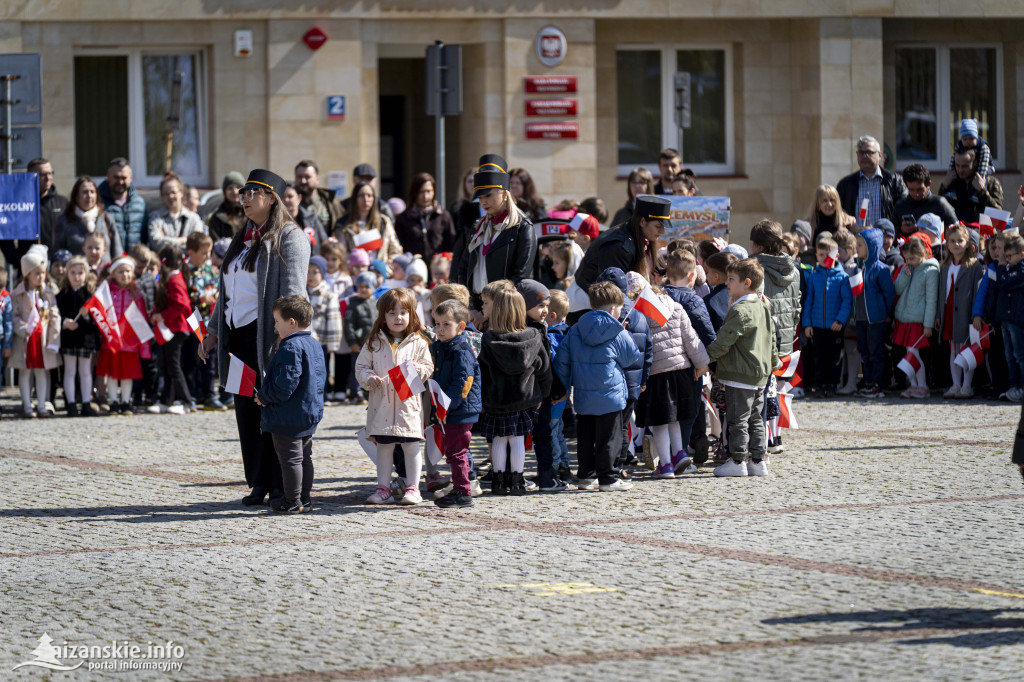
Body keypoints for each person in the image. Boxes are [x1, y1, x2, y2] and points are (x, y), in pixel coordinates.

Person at [199, 169, 311, 507]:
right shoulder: (241, 237)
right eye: (243, 193)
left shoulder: (289, 237)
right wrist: (214, 331)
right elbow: (226, 292)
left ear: (272, 197)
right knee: (247, 412)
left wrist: (285, 337)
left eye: (252, 192)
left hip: (269, 336)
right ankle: (258, 481)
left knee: (273, 410)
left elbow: (293, 294)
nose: (244, 198)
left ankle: (281, 484)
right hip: (238, 337)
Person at [554, 280, 641, 491]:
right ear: (613, 309)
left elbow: (562, 362)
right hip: (610, 395)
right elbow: (631, 357)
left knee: (586, 437)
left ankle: (586, 475)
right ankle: (608, 478)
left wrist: (562, 388)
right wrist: (625, 333)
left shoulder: (575, 329)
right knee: (609, 438)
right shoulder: (617, 330)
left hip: (583, 394)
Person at [356, 288, 434, 505]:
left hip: (408, 405)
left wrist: (415, 370)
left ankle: (413, 487)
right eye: (391, 313)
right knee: (384, 447)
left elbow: (428, 367)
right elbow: (361, 366)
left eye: (403, 312)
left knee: (411, 446)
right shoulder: (374, 342)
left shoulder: (418, 341)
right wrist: (368, 377)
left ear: (412, 314)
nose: (398, 317)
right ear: (383, 316)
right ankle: (383, 488)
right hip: (381, 405)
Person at [629, 274, 710, 479]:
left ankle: (665, 465)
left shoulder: (637, 313)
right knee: (675, 419)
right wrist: (702, 364)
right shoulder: (675, 307)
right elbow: (691, 338)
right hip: (681, 371)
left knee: (659, 423)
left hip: (656, 375)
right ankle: (680, 453)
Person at [254, 295, 327, 514]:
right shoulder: (313, 344)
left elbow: (285, 384)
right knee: (304, 457)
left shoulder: (290, 347)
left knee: (291, 459)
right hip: (308, 410)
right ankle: (304, 499)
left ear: (291, 322)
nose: (275, 326)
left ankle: (292, 501)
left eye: (277, 321)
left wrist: (264, 397)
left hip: (289, 414)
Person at [706, 259, 779, 477]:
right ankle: (757, 461)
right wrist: (773, 362)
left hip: (739, 375)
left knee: (738, 419)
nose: (726, 283)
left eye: (731, 279)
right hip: (759, 374)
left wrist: (705, 360)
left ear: (746, 283)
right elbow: (772, 338)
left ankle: (737, 461)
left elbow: (723, 341)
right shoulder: (762, 305)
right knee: (756, 418)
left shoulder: (741, 310)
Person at [478, 288, 551, 495]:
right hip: (525, 397)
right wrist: (543, 394)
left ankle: (499, 482)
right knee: (518, 438)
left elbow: (482, 372)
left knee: (500, 438)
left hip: (496, 399)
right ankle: (518, 481)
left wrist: (482, 399)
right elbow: (545, 370)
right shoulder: (534, 336)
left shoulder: (488, 338)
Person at [573, 195, 670, 318]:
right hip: (583, 308)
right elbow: (611, 295)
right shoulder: (619, 247)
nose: (662, 231)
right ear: (642, 222)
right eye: (658, 226)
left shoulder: (634, 237)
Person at [453, 158, 538, 299]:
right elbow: (463, 268)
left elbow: (521, 275)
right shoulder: (478, 226)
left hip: (504, 305)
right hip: (477, 306)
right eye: (480, 198)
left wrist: (494, 305)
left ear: (505, 194)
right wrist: (471, 306)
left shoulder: (522, 228)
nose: (483, 202)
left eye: (488, 195)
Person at [430, 299, 483, 509]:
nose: (440, 329)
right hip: (449, 409)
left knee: (457, 452)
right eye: (437, 324)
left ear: (461, 326)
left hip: (460, 410)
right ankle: (460, 487)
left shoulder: (461, 349)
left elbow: (463, 382)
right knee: (453, 451)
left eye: (446, 324)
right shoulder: (441, 346)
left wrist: (447, 405)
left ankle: (463, 491)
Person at [515, 278, 565, 493]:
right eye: (539, 305)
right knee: (542, 435)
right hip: (538, 394)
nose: (545, 310)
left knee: (517, 437)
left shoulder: (523, 327)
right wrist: (554, 390)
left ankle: (513, 477)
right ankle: (547, 477)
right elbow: (544, 367)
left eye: (546, 305)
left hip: (525, 393)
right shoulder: (535, 331)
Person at [11, 248, 61, 418]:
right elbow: (14, 316)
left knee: (41, 372)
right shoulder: (17, 294)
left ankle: (41, 404)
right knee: (25, 372)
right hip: (25, 339)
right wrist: (23, 328)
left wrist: (54, 338)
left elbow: (55, 316)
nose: (41, 277)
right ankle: (27, 405)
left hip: (42, 339)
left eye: (43, 273)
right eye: (37, 273)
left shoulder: (47, 293)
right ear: (27, 274)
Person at [96, 256, 148, 416]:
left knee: (127, 375)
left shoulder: (137, 294)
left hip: (129, 341)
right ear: (113, 274)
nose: (125, 274)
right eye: (121, 271)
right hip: (111, 340)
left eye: (128, 271)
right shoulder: (106, 292)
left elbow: (142, 320)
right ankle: (113, 402)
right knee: (112, 373)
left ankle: (126, 402)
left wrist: (144, 347)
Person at [937, 224, 985, 398]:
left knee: (966, 349)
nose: (956, 244)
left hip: (966, 313)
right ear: (947, 244)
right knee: (953, 349)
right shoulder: (944, 266)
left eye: (960, 241)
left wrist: (976, 315)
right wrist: (938, 315)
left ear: (967, 243)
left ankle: (967, 385)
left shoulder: (974, 267)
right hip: (949, 312)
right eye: (952, 241)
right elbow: (940, 292)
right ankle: (956, 384)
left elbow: (977, 292)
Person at [801, 236, 852, 397]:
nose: (824, 258)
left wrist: (840, 320)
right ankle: (821, 385)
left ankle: (832, 385)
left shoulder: (842, 277)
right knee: (819, 357)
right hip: (817, 326)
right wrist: (807, 323)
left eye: (827, 255)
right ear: (816, 256)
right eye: (820, 255)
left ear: (836, 256)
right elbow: (809, 301)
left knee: (834, 358)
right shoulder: (815, 276)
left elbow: (847, 301)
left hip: (834, 327)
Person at [148, 244, 193, 415]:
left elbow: (182, 304)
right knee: (166, 365)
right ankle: (167, 400)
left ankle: (185, 401)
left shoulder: (174, 279)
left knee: (173, 366)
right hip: (172, 327)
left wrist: (163, 315)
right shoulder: (173, 278)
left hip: (176, 328)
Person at [893, 235, 939, 399]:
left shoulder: (931, 270)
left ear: (924, 252)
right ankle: (913, 385)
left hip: (918, 321)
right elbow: (897, 289)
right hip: (905, 318)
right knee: (909, 353)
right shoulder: (909, 268)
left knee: (914, 354)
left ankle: (922, 386)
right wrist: (905, 275)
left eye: (912, 258)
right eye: (907, 258)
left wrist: (928, 325)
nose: (909, 261)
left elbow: (931, 300)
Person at [852, 228, 896, 399]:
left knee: (875, 351)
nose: (857, 247)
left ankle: (877, 384)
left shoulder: (881, 269)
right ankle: (868, 382)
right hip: (862, 318)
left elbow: (889, 294)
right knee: (865, 351)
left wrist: (887, 314)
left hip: (876, 319)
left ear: (871, 246)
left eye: (860, 245)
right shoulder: (858, 267)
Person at [56, 256, 99, 416]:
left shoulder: (90, 296)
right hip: (69, 339)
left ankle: (86, 402)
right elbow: (56, 315)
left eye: (80, 273)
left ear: (86, 274)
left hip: (85, 339)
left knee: (86, 371)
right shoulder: (62, 295)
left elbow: (96, 321)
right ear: (67, 274)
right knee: (69, 371)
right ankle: (71, 403)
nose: (76, 276)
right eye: (73, 273)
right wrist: (65, 322)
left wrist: (87, 316)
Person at [836, 135, 908, 226]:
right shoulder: (845, 184)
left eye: (869, 152)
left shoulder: (895, 181)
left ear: (880, 155)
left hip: (885, 238)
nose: (865, 156)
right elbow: (838, 214)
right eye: (861, 153)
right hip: (855, 238)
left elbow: (905, 210)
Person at [54, 176, 122, 262]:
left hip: (104, 273)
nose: (89, 196)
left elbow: (117, 252)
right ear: (76, 196)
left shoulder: (106, 218)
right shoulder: (64, 221)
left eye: (92, 192)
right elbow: (58, 254)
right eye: (85, 192)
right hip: (77, 273)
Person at [394, 172, 456, 267]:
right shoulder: (404, 218)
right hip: (412, 270)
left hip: (438, 271)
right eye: (421, 192)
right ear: (414, 193)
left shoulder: (443, 216)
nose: (426, 197)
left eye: (429, 191)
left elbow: (451, 244)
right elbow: (398, 246)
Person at [334, 181, 402, 264]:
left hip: (381, 272)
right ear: (355, 198)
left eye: (369, 196)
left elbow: (395, 250)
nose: (366, 199)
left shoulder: (384, 222)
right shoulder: (343, 225)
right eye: (361, 196)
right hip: (355, 272)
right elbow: (341, 254)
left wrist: (384, 269)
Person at [545, 289, 572, 481]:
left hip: (555, 392)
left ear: (552, 316)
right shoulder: (569, 335)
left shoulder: (552, 337)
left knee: (551, 430)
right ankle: (564, 464)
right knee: (558, 429)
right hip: (565, 390)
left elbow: (550, 363)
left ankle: (555, 468)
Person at [994, 232, 1024, 402]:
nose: (1006, 259)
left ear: (1021, 254)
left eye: (1009, 256)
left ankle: (1021, 387)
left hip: (1016, 320)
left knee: (1019, 356)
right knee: (1009, 355)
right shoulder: (1008, 268)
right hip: (1005, 318)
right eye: (1005, 256)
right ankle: (1013, 387)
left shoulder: (1021, 269)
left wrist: (1001, 266)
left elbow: (1004, 283)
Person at [938, 149, 1004, 225]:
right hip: (956, 232)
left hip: (981, 233)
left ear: (975, 163)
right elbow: (940, 209)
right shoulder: (951, 180)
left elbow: (998, 214)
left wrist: (982, 191)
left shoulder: (991, 182)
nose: (960, 170)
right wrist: (944, 187)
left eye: (965, 166)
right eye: (957, 165)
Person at [97, 157, 148, 250]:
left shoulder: (139, 204)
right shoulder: (98, 203)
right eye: (116, 177)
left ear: (131, 178)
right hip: (109, 261)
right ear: (108, 176)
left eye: (124, 178)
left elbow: (145, 236)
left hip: (135, 260)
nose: (120, 182)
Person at [147, 173, 206, 252]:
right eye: (166, 194)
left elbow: (196, 245)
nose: (170, 196)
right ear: (162, 196)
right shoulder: (155, 218)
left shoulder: (194, 218)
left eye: (173, 192)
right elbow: (156, 244)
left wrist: (165, 239)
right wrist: (182, 240)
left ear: (181, 193)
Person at [344, 272, 379, 403]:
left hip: (374, 345)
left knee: (373, 368)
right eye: (361, 286)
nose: (363, 289)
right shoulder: (353, 304)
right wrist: (352, 341)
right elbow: (349, 324)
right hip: (359, 344)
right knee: (358, 367)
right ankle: (355, 391)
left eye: (367, 286)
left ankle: (368, 391)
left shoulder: (376, 303)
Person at [892, 164, 959, 232]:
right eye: (911, 190)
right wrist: (901, 230)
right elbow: (890, 235)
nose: (916, 194)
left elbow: (956, 230)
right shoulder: (900, 205)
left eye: (920, 190)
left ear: (929, 184)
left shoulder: (940, 204)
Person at [28, 158, 69, 252]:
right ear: (31, 176)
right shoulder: (21, 204)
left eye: (50, 173)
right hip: (29, 264)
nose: (48, 178)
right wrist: (17, 259)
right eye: (43, 174)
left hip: (58, 264)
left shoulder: (63, 202)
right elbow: (5, 235)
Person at [280, 183, 329, 257]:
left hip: (312, 264)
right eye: (283, 197)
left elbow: (325, 242)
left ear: (299, 198)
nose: (286, 200)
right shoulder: (274, 220)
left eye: (290, 196)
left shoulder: (312, 218)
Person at [294, 160, 345, 230]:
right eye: (299, 177)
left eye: (307, 177)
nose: (303, 181)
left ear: (317, 179)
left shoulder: (331, 203)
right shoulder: (287, 203)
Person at [944, 118, 994, 186]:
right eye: (965, 139)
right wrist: (950, 171)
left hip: (986, 166)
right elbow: (953, 158)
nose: (968, 142)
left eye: (971, 139)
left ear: (976, 138)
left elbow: (983, 162)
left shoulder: (983, 146)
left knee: (985, 175)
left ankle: (981, 187)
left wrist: (980, 176)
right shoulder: (959, 144)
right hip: (971, 169)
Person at [703, 251, 738, 333]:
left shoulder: (709, 301)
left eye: (707, 272)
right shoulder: (744, 294)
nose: (706, 275)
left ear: (716, 276)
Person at [207, 172, 247, 241]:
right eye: (230, 188)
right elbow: (216, 244)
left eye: (238, 187)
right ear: (225, 192)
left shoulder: (252, 213)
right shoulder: (217, 217)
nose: (234, 191)